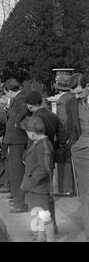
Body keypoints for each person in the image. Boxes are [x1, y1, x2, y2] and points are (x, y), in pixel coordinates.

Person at [20, 116, 54, 242]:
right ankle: (40, 235)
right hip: (36, 188)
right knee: (38, 213)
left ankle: (45, 237)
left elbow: (44, 168)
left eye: (27, 132)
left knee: (43, 215)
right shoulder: (39, 143)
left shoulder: (43, 145)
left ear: (32, 133)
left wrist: (32, 180)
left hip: (39, 187)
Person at [66, 73, 89, 241]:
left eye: (79, 93)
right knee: (87, 193)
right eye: (73, 93)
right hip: (81, 152)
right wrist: (73, 145)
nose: (76, 96)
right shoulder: (70, 103)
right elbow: (71, 128)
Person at [3, 78, 29, 213]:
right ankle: (18, 199)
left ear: (9, 91)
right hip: (15, 139)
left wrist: (15, 120)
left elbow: (21, 112)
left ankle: (20, 202)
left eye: (6, 93)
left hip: (18, 139)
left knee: (17, 172)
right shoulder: (19, 98)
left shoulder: (20, 98)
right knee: (15, 171)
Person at [54, 76, 76, 196]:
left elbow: (63, 120)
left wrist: (63, 138)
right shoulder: (73, 98)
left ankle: (66, 188)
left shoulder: (62, 101)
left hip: (66, 135)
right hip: (75, 134)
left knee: (64, 160)